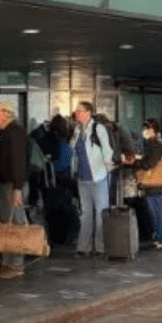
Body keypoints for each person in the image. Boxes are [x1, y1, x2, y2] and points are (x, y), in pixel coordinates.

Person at [0, 101, 30, 277]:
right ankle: (7, 261)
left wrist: (17, 188)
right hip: (4, 185)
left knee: (15, 223)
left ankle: (16, 264)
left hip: (13, 185)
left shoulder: (16, 133)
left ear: (6, 113)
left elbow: (19, 162)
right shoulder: (2, 133)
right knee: (7, 223)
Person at [69, 101, 113, 256]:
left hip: (98, 176)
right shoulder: (76, 130)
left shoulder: (98, 128)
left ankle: (101, 247)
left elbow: (107, 148)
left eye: (79, 111)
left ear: (88, 113)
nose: (76, 113)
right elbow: (74, 151)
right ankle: (84, 247)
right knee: (86, 213)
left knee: (101, 213)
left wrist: (108, 165)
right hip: (82, 177)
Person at [137, 119, 162, 250]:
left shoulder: (155, 143)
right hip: (155, 184)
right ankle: (159, 237)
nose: (144, 131)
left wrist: (139, 163)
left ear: (152, 130)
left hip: (155, 184)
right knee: (155, 211)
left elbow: (151, 162)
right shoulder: (154, 143)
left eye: (147, 129)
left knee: (157, 212)